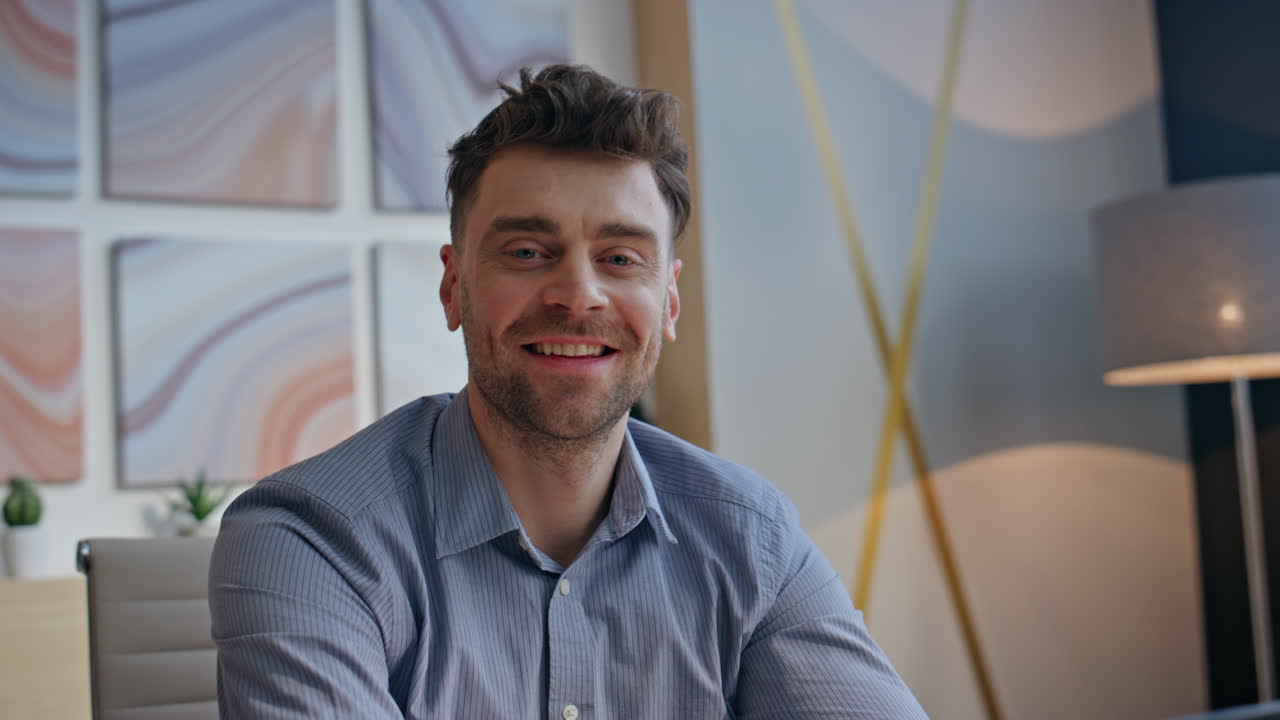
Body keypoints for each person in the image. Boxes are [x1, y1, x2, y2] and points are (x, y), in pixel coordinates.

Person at [209, 64, 927, 719]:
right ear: (455, 285)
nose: (579, 296)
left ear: (668, 302)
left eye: (621, 258)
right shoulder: (313, 541)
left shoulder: (753, 541)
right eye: (527, 252)